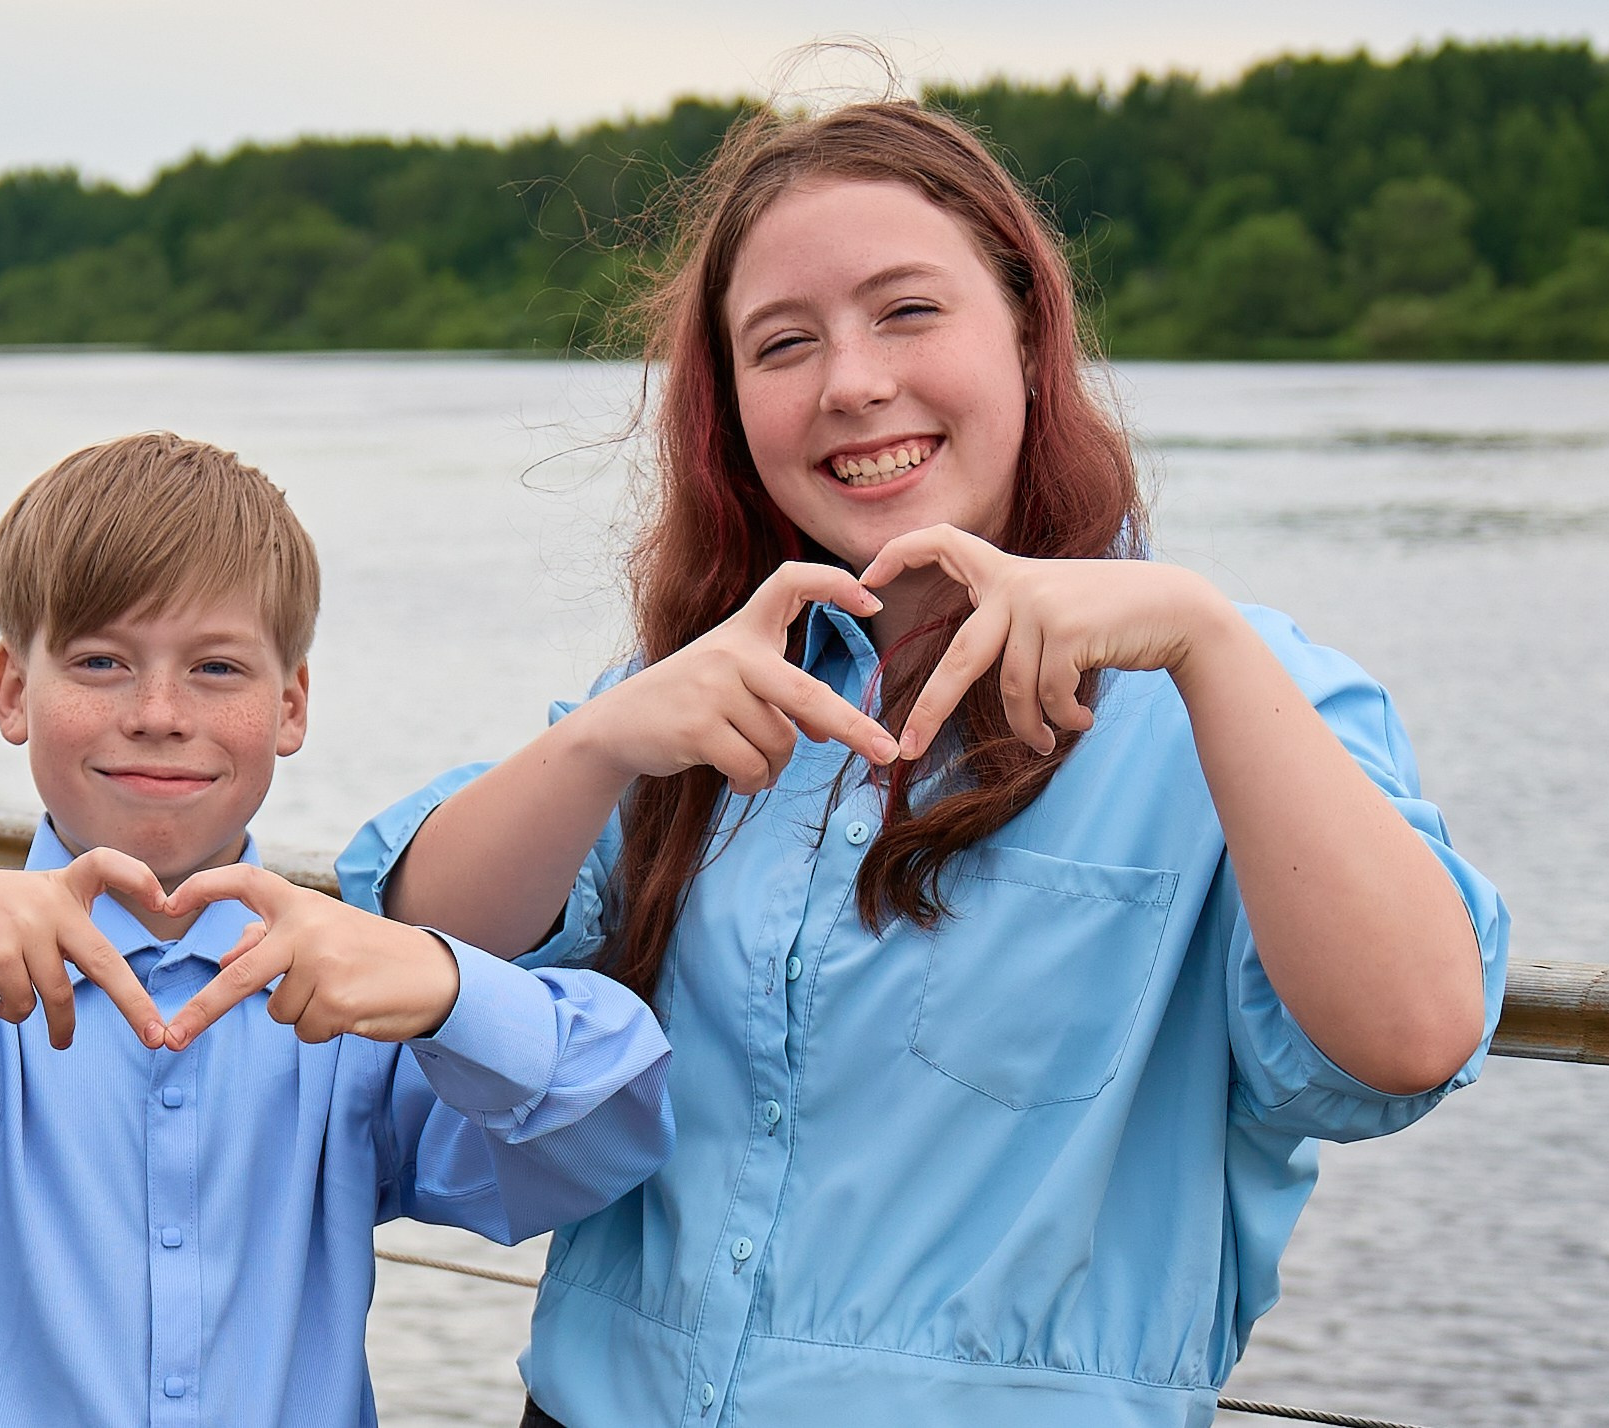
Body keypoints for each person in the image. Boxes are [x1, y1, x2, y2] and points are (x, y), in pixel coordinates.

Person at [340, 101, 1509, 1428]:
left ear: (1027, 333)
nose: (849, 383)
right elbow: (423, 940)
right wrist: (598, 741)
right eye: (783, 344)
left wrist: (1201, 635)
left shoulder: (1236, 692)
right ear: (731, 407)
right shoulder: (705, 693)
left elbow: (1409, 1040)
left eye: (907, 312)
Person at [0, 433, 673, 1427]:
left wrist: (446, 986)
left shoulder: (353, 1003)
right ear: (13, 689)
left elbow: (605, 1142)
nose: (158, 714)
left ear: (291, 704)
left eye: (217, 668)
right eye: (101, 662)